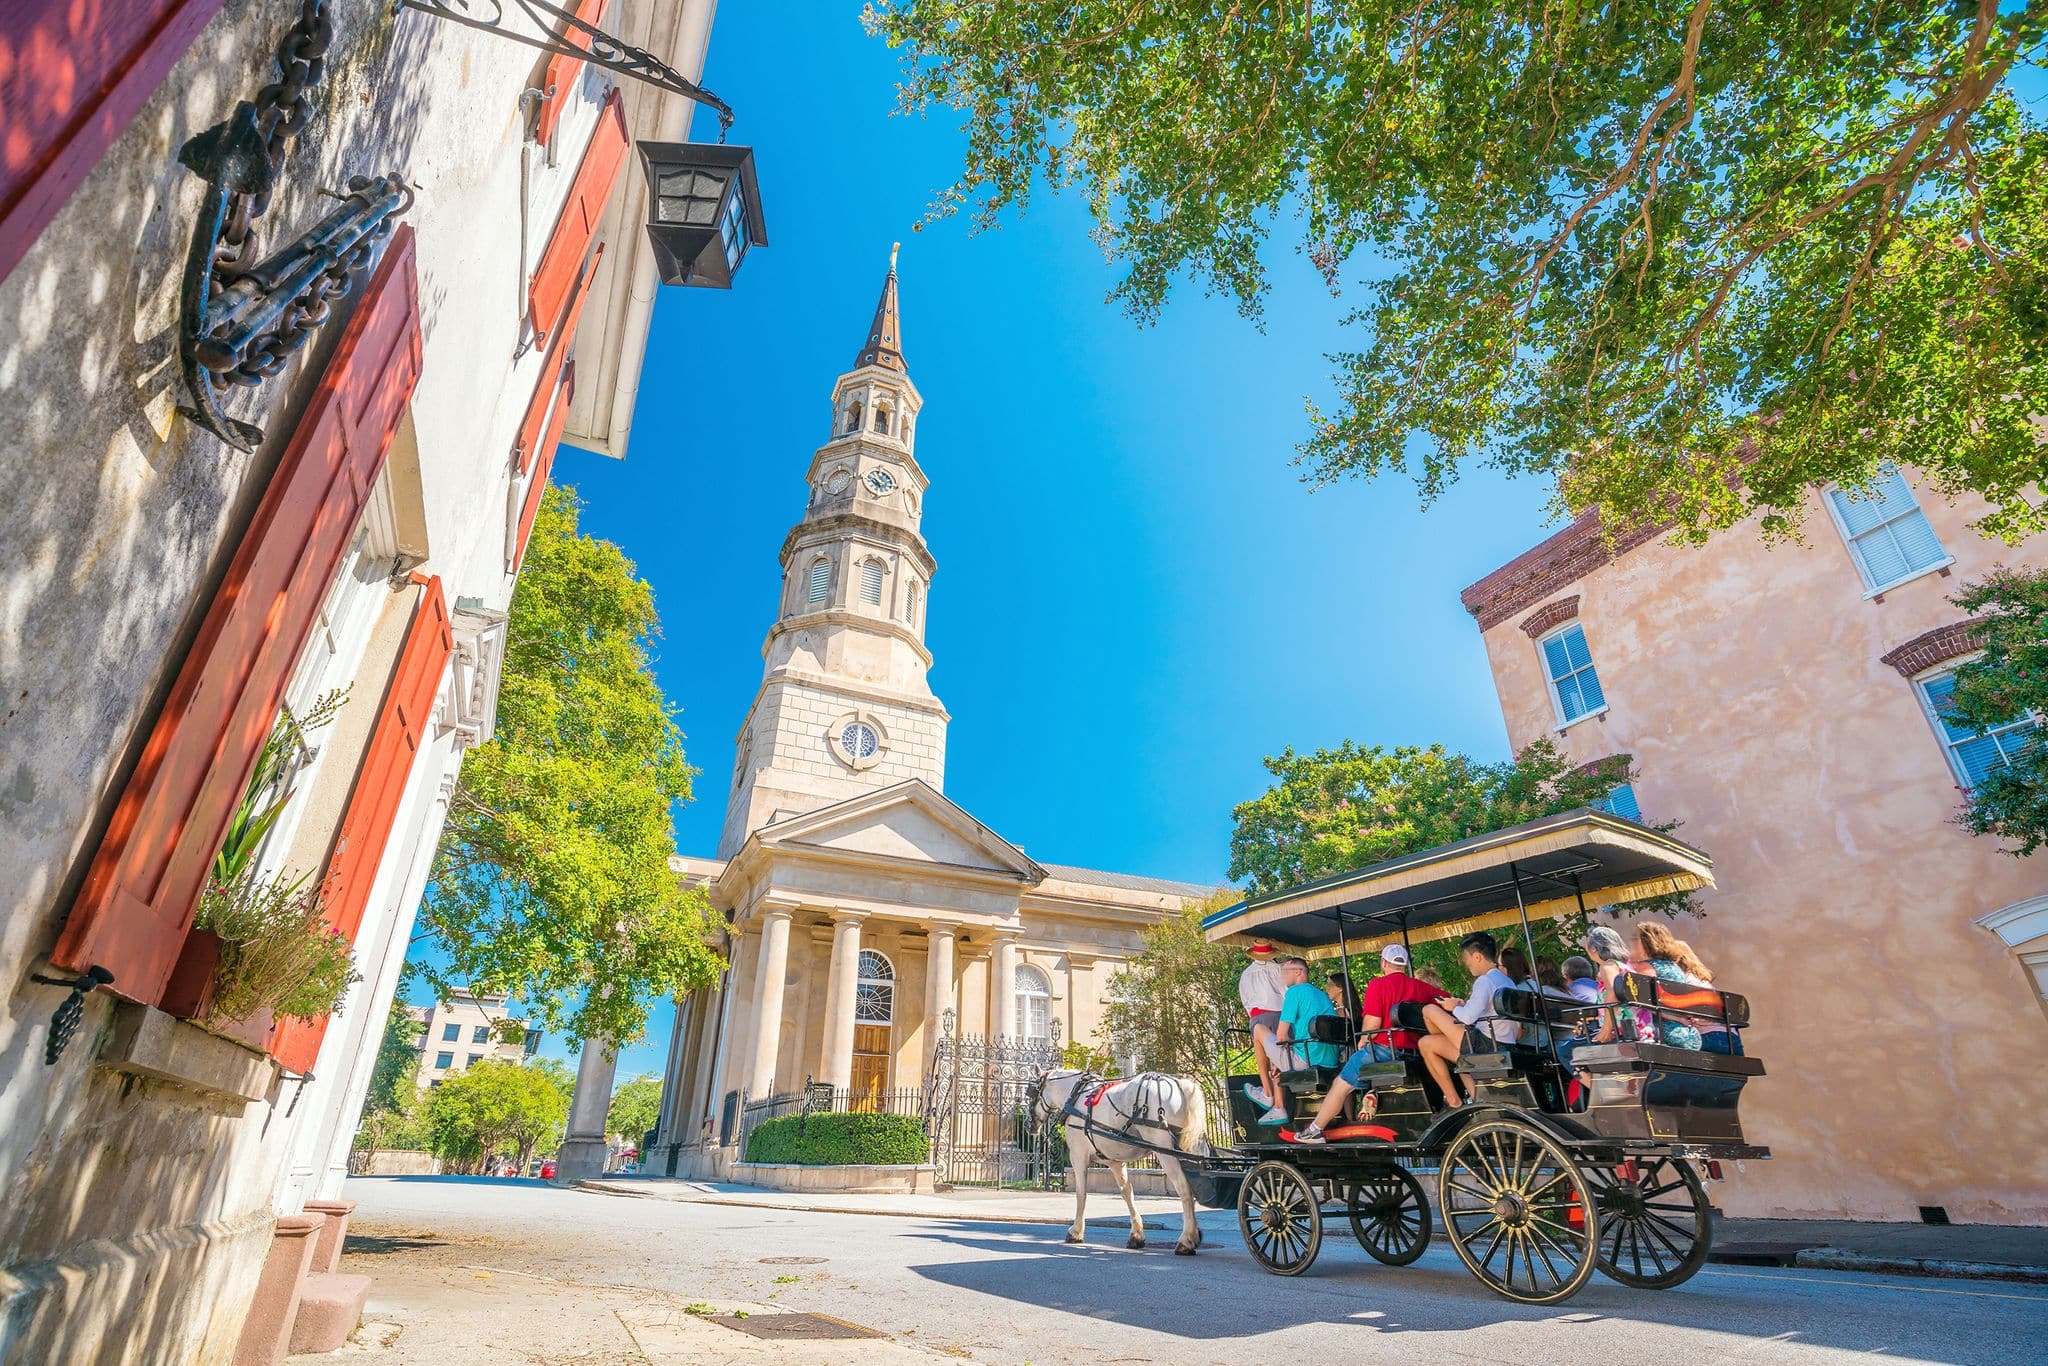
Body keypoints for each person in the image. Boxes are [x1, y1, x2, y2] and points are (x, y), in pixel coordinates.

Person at [1289, 943, 1437, 1144]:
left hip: (1385, 1049)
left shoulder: (1378, 984)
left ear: (1384, 963)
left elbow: (1372, 1025)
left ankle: (1315, 1129)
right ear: (1404, 964)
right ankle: (1371, 1096)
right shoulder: (1421, 987)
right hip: (1415, 1051)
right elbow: (1447, 1001)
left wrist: (1363, 1041)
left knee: (1340, 1083)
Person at [1415, 932, 1520, 1108]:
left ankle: (1453, 1099)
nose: (1466, 964)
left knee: (1429, 1010)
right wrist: (1462, 1005)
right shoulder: (1506, 981)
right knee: (1426, 1043)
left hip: (1486, 1043)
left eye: (1467, 959)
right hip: (1504, 1041)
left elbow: (1468, 1018)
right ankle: (1472, 1100)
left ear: (1477, 957)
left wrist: (1452, 1007)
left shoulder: (1484, 980)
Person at [1260, 956, 1340, 1124]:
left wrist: (1279, 1058)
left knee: (1258, 1029)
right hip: (1331, 1061)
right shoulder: (1322, 995)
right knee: (1284, 1055)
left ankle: (1267, 1095)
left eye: (1285, 971)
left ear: (1298, 971)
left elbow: (1281, 1036)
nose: (1282, 976)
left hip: (1307, 1061)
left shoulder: (1294, 992)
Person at [1633, 922, 1709, 1051]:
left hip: (1665, 1033)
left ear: (1647, 942)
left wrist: (1678, 1018)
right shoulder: (1674, 967)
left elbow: (1647, 1004)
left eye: (1637, 939)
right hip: (1690, 1034)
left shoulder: (1646, 967)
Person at [1238, 941, 1287, 1113]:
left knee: (1262, 1060)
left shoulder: (1246, 974)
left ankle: (1267, 1093)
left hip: (1258, 1016)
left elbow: (1245, 1000)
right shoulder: (1278, 969)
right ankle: (1280, 1102)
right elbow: (1286, 992)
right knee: (1277, 1059)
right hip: (1280, 1015)